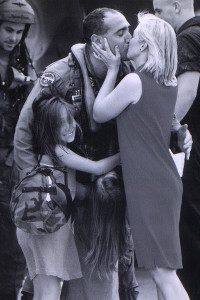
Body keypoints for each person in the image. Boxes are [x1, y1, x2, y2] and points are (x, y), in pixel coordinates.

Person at [14, 7, 192, 300]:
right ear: (98, 42)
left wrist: (179, 132)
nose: (130, 37)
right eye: (121, 32)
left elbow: (149, 113)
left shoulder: (128, 72)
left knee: (98, 287)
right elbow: (25, 131)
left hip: (102, 205)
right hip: (59, 196)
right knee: (48, 283)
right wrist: (34, 186)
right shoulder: (59, 73)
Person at [93, 12, 190, 300]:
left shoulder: (135, 81)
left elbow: (99, 112)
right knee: (163, 269)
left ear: (145, 45)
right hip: (162, 182)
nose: (129, 41)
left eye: (134, 37)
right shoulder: (168, 81)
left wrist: (111, 70)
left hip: (148, 186)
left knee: (162, 273)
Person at [16, 93, 122, 300]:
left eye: (71, 119)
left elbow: (76, 190)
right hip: (48, 229)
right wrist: (126, 153)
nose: (70, 126)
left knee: (43, 291)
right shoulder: (58, 151)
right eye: (62, 123)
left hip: (36, 228)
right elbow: (98, 167)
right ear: (49, 129)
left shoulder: (51, 158)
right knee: (49, 293)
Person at [153, 1, 200, 298]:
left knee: (189, 237)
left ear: (175, 5)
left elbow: (187, 91)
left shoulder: (186, 37)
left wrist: (158, 134)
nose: (157, 17)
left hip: (192, 154)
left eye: (159, 11)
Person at [0, 0, 37, 298]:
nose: (13, 37)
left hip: (12, 160)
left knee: (13, 246)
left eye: (19, 31)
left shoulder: (23, 58)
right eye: (7, 29)